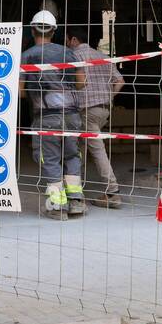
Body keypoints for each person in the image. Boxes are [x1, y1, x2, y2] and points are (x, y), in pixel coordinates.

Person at [19, 10, 87, 221]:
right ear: (54, 31)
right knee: (71, 156)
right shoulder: (69, 53)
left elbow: (20, 91)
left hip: (46, 117)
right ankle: (75, 201)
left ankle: (57, 206)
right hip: (72, 115)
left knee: (49, 159)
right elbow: (81, 82)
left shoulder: (27, 56)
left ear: (32, 31)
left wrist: (35, 89)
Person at [66, 29, 125, 208]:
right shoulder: (102, 56)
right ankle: (74, 187)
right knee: (81, 147)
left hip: (86, 111)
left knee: (95, 149)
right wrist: (109, 98)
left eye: (68, 40)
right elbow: (120, 81)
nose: (67, 43)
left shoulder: (73, 56)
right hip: (104, 109)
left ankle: (112, 191)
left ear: (74, 39)